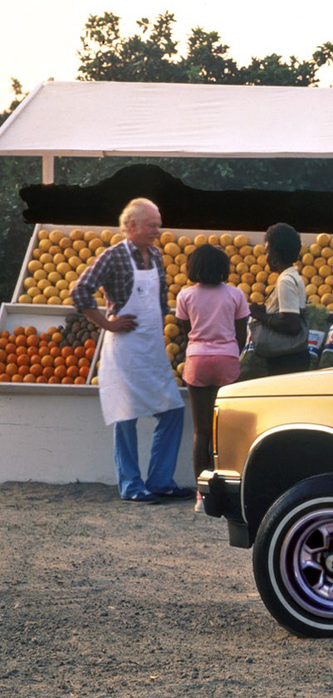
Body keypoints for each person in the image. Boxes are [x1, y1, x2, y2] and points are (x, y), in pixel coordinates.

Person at [70, 197, 188, 503]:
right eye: (152, 225)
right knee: (125, 416)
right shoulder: (113, 256)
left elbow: (160, 303)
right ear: (132, 225)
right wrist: (107, 324)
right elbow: (80, 290)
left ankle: (161, 480)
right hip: (124, 347)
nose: (157, 231)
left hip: (152, 347)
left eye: (158, 225)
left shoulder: (158, 256)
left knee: (173, 409)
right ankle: (131, 485)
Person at [174, 243, 250, 509]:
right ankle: (229, 492)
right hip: (227, 359)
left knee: (201, 431)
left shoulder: (185, 296)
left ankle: (201, 495)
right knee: (226, 431)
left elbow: (186, 329)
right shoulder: (235, 294)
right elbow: (241, 333)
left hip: (196, 360)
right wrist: (230, 350)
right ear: (223, 268)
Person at [250, 223, 311, 375]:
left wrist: (261, 316)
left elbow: (291, 324)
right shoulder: (294, 277)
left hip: (286, 359)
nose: (265, 257)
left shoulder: (286, 281)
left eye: (266, 251)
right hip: (294, 357)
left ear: (275, 255)